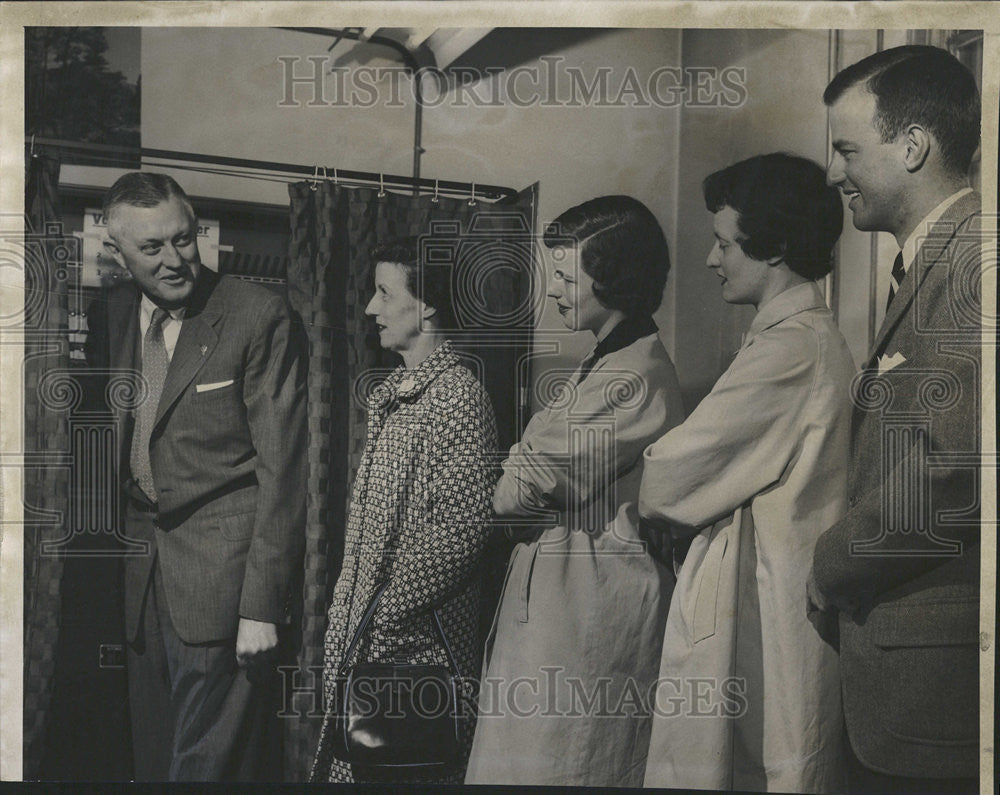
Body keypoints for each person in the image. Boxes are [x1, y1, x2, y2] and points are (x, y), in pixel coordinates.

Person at [639, 154, 855, 793]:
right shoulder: (789, 341)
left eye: (724, 243)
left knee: (754, 763)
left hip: (766, 602)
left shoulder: (791, 349)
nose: (711, 259)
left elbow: (666, 479)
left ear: (777, 245)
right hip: (756, 592)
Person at [85, 172, 307, 781]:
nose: (175, 260)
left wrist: (261, 608)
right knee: (155, 760)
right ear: (118, 251)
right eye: (151, 248)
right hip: (141, 583)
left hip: (222, 587)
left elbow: (284, 471)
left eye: (183, 240)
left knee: (204, 769)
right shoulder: (112, 312)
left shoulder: (257, 315)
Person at [808, 45, 982, 794]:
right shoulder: (930, 263)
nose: (833, 173)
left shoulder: (974, 263)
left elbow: (954, 475)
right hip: (901, 684)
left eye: (848, 149)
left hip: (928, 697)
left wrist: (828, 560)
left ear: (912, 146)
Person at [464, 195, 685, 787]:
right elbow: (529, 473)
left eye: (566, 276)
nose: (556, 291)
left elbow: (514, 492)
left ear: (611, 278)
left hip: (590, 615)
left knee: (570, 765)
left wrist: (519, 464)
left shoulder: (636, 377)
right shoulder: (603, 365)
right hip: (566, 607)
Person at [310, 241, 498, 784]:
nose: (371, 308)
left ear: (427, 306)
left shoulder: (458, 396)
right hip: (373, 639)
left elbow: (462, 533)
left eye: (385, 293)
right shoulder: (399, 393)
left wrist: (383, 611)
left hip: (416, 651)